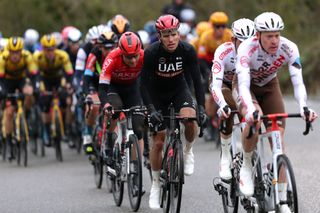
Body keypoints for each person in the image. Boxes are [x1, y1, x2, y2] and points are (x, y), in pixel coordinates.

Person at [235, 12, 317, 212]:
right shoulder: (247, 48)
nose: (274, 40)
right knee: (253, 121)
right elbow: (244, 85)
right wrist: (252, 110)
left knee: (278, 138)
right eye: (269, 36)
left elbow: (298, 82)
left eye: (277, 35)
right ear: (258, 35)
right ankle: (246, 165)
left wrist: (304, 107)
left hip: (270, 86)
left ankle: (282, 200)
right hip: (248, 88)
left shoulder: (289, 48)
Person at [140, 14, 206, 209]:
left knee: (190, 120)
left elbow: (197, 82)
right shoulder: (151, 53)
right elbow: (142, 85)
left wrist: (201, 107)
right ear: (159, 36)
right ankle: (155, 185)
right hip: (156, 94)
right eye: (166, 35)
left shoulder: (187, 50)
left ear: (179, 34)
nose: (171, 39)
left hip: (179, 90)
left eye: (174, 34)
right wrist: (150, 109)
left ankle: (187, 150)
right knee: (159, 140)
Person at [209, 18, 256, 180]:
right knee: (229, 107)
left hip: (244, 84)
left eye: (249, 42)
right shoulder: (223, 51)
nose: (245, 46)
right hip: (224, 84)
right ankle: (225, 157)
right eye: (241, 42)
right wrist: (222, 105)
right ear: (233, 40)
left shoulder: (257, 51)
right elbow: (215, 86)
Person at [98, 32, 145, 164]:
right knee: (115, 110)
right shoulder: (112, 58)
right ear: (121, 52)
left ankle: (136, 166)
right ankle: (108, 139)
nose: (133, 61)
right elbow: (102, 88)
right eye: (129, 58)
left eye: (135, 56)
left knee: (138, 126)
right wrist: (106, 105)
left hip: (133, 89)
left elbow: (150, 82)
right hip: (114, 88)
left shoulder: (144, 56)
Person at [0, 37, 38, 159]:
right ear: (8, 51)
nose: (15, 55)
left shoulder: (27, 56)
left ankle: (25, 115)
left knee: (28, 92)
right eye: (12, 52)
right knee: (10, 112)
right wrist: (2, 92)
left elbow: (33, 75)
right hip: (7, 82)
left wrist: (33, 87)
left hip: (21, 80)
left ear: (21, 51)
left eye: (17, 52)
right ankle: (9, 138)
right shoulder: (3, 58)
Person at [198, 11, 233, 142]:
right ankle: (210, 118)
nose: (220, 29)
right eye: (217, 26)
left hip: (226, 66)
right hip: (209, 65)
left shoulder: (229, 35)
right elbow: (201, 59)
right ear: (212, 26)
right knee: (211, 96)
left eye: (223, 26)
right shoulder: (205, 37)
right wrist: (207, 72)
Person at [33, 34, 74, 147]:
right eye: (47, 49)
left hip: (59, 78)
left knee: (65, 101)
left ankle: (65, 129)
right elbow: (35, 75)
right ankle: (46, 131)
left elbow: (69, 72)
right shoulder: (37, 57)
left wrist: (67, 85)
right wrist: (38, 88)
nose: (50, 52)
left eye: (52, 49)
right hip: (44, 79)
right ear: (43, 49)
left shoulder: (62, 56)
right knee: (45, 103)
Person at [82, 31, 118, 154]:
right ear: (100, 47)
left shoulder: (119, 54)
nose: (109, 51)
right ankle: (87, 133)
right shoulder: (94, 53)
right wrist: (87, 93)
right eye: (106, 48)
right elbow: (86, 75)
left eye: (112, 47)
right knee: (95, 106)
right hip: (95, 83)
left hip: (111, 84)